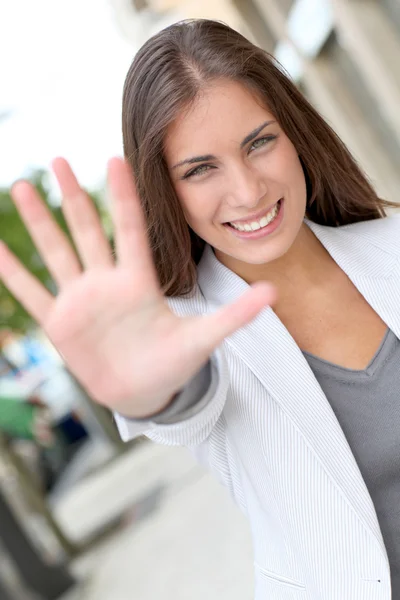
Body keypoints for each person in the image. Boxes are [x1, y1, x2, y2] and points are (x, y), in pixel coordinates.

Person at [0, 18, 399, 600]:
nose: (247, 191)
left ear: (296, 134)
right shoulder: (186, 333)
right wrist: (151, 393)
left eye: (259, 141)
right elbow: (185, 399)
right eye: (200, 169)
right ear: (166, 189)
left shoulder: (392, 246)